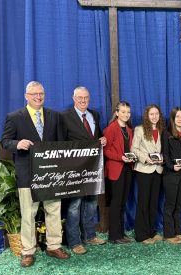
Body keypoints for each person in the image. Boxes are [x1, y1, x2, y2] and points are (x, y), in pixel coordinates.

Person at [1, 81, 70, 267]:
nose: (38, 97)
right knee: (28, 213)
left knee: (54, 209)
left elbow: (61, 144)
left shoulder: (54, 116)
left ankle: (54, 246)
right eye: (34, 94)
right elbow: (5, 141)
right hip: (27, 173)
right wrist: (17, 144)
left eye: (41, 94)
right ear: (26, 96)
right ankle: (28, 251)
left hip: (51, 174)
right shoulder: (15, 117)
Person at [61, 86, 107, 255]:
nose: (83, 100)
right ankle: (74, 241)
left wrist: (102, 139)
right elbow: (61, 142)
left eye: (86, 97)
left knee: (91, 203)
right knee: (74, 205)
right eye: (80, 98)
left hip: (93, 168)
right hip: (74, 169)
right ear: (74, 99)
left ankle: (90, 235)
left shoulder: (94, 115)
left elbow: (95, 136)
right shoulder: (64, 116)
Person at [131, 104, 164, 244]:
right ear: (147, 115)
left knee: (153, 202)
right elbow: (134, 148)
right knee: (143, 202)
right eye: (151, 114)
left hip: (158, 170)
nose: (154, 116)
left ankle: (151, 231)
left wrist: (163, 158)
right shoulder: (139, 129)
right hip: (144, 169)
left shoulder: (162, 130)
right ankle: (141, 235)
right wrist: (145, 158)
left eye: (156, 113)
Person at [103, 101, 135, 244]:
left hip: (128, 168)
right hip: (116, 169)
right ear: (116, 113)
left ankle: (121, 233)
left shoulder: (129, 129)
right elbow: (105, 150)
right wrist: (120, 157)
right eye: (123, 112)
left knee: (122, 202)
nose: (126, 114)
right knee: (116, 203)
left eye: (128, 112)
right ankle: (114, 236)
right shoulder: (111, 129)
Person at [161, 107, 181, 245]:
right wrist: (172, 166)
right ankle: (169, 234)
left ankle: (178, 232)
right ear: (173, 119)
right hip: (171, 174)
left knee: (179, 204)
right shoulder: (166, 133)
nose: (180, 119)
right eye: (177, 116)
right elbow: (165, 154)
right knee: (170, 204)